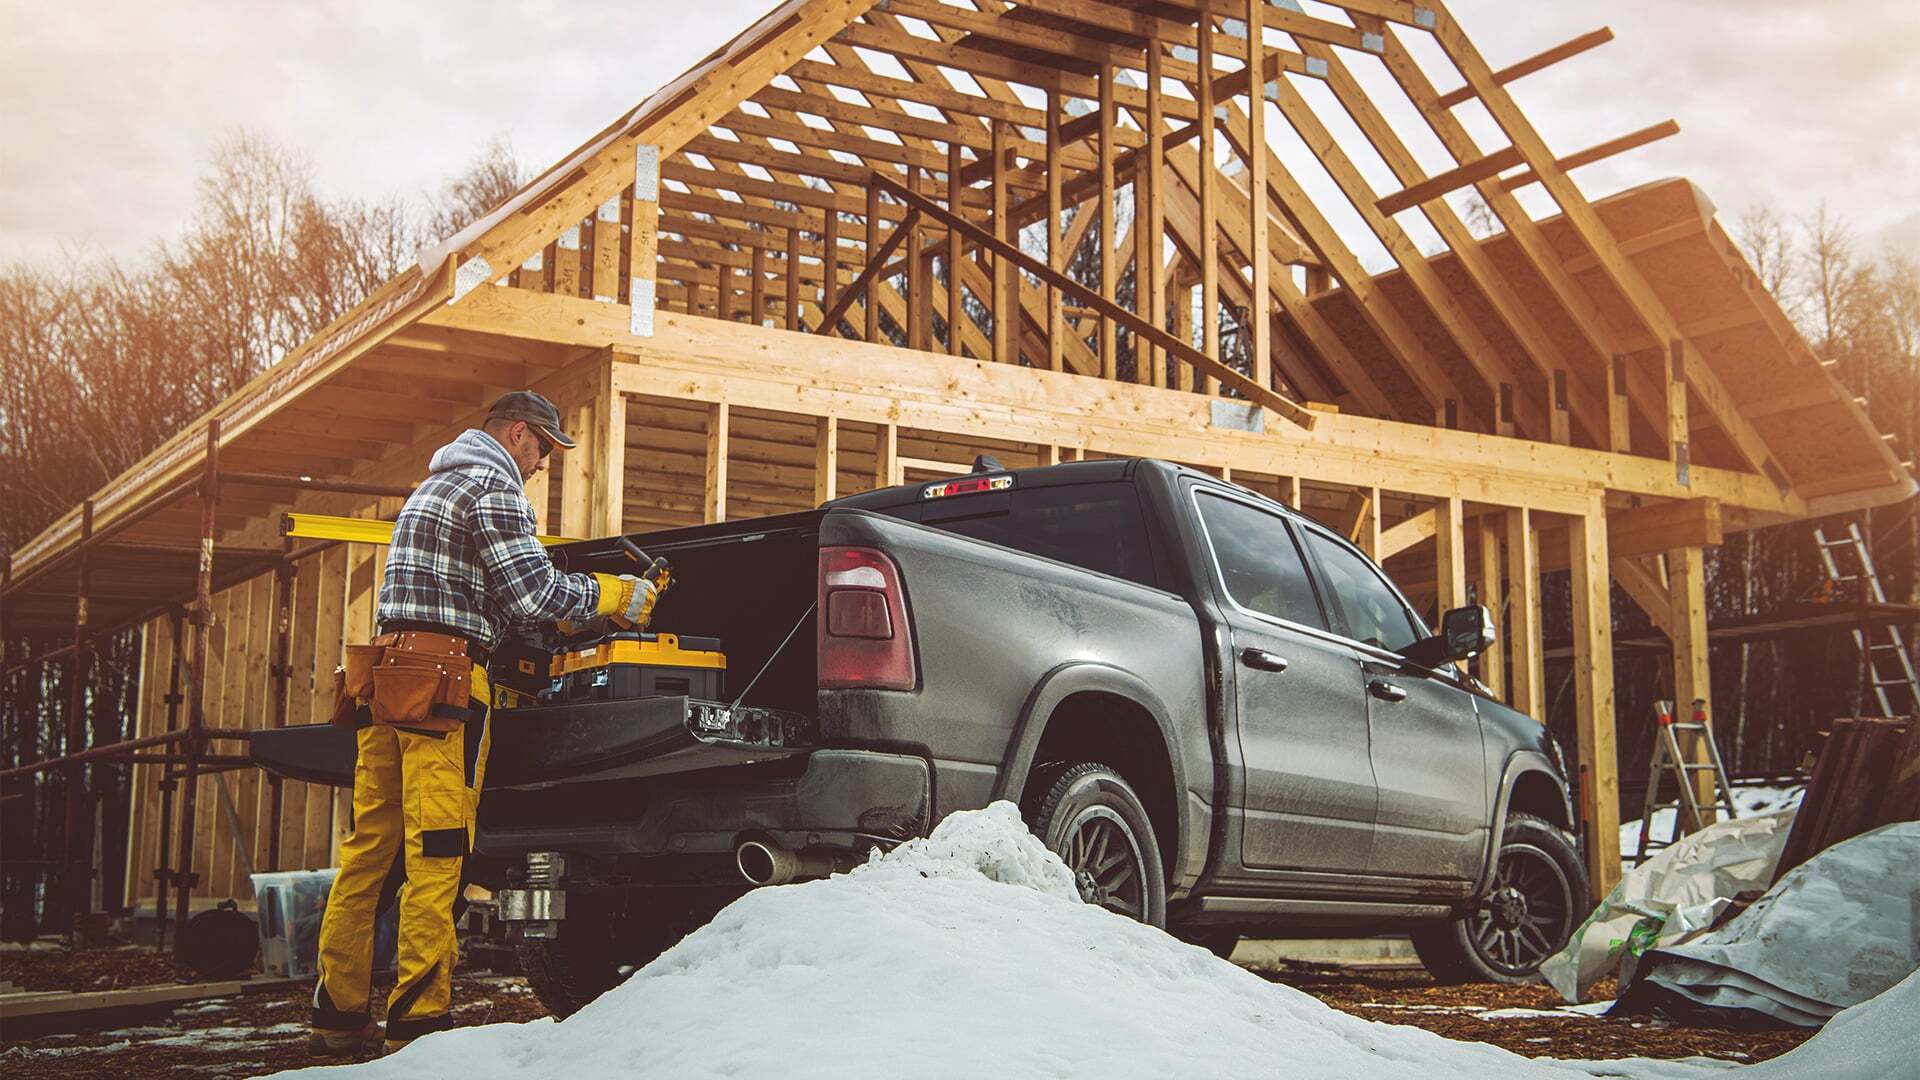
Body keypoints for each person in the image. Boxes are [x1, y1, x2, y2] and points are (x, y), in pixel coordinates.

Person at [308, 391, 654, 1056]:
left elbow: (492, 597)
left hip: (387, 680)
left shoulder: (431, 488)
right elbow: (536, 597)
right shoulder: (492, 488)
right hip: (443, 686)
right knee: (439, 850)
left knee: (371, 853)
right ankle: (419, 1027)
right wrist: (617, 597)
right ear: (517, 433)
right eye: (544, 448)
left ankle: (338, 1016)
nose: (545, 464)